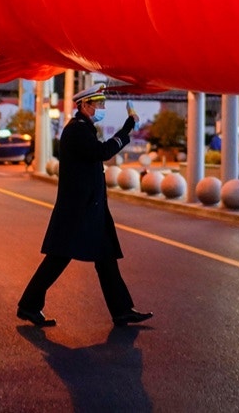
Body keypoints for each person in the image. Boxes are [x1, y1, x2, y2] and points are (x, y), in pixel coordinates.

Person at [17, 83, 153, 328]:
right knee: (57, 259)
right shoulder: (77, 130)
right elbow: (102, 152)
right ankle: (28, 305)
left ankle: (122, 310)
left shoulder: (84, 128)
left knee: (106, 258)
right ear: (85, 105)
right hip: (78, 211)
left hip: (90, 209)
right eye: (98, 104)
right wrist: (126, 130)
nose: (101, 108)